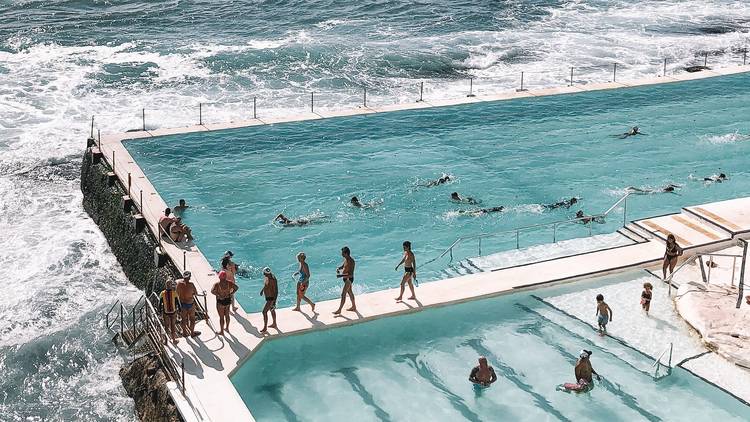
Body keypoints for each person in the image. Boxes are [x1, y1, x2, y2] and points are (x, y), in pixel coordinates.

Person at [212, 270, 238, 336]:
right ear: (225, 277)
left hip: (220, 301)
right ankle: (227, 328)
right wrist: (231, 293)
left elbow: (212, 291)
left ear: (219, 277)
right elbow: (236, 287)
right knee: (227, 315)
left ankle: (221, 331)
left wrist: (218, 295)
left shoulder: (217, 284)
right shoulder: (229, 283)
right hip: (228, 300)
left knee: (221, 317)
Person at [176, 271, 200, 338]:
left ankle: (184, 333)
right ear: (189, 278)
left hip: (182, 304)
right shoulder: (191, 285)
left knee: (183, 319)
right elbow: (195, 293)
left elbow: (177, 293)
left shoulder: (179, 284)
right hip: (190, 303)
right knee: (192, 319)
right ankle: (192, 333)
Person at [334, 246, 357, 315]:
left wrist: (340, 276)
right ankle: (354, 306)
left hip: (348, 279)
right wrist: (338, 268)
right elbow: (343, 266)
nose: (341, 254)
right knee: (350, 292)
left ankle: (339, 310)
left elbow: (351, 275)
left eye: (342, 253)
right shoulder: (346, 259)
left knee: (343, 294)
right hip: (345, 279)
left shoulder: (351, 261)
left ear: (346, 253)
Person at [159, 280, 181, 345]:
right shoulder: (174, 293)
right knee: (173, 326)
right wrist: (179, 311)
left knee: (166, 326)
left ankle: (166, 341)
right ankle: (174, 340)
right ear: (171, 286)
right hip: (173, 312)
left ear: (166, 286)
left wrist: (159, 312)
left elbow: (160, 303)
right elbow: (178, 303)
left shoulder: (162, 293)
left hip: (165, 312)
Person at [259, 267, 278, 333]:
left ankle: (265, 328)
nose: (263, 275)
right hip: (268, 297)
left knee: (264, 312)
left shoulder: (272, 280)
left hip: (271, 298)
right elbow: (266, 284)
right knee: (272, 310)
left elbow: (276, 291)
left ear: (266, 273)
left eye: (264, 274)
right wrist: (262, 290)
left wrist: (274, 301)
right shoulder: (268, 277)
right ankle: (274, 323)